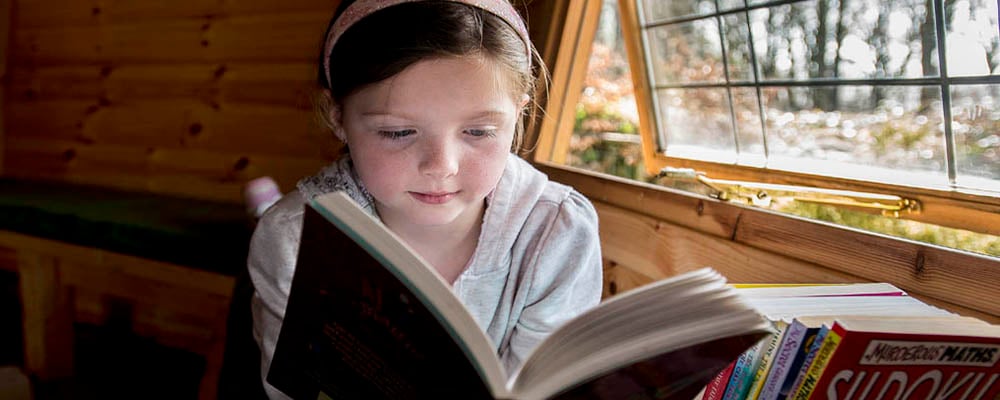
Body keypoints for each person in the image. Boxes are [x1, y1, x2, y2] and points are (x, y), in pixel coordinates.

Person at [247, 0, 604, 398]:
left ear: (518, 115)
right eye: (398, 133)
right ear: (338, 118)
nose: (442, 166)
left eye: (479, 131)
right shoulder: (295, 241)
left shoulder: (557, 235)